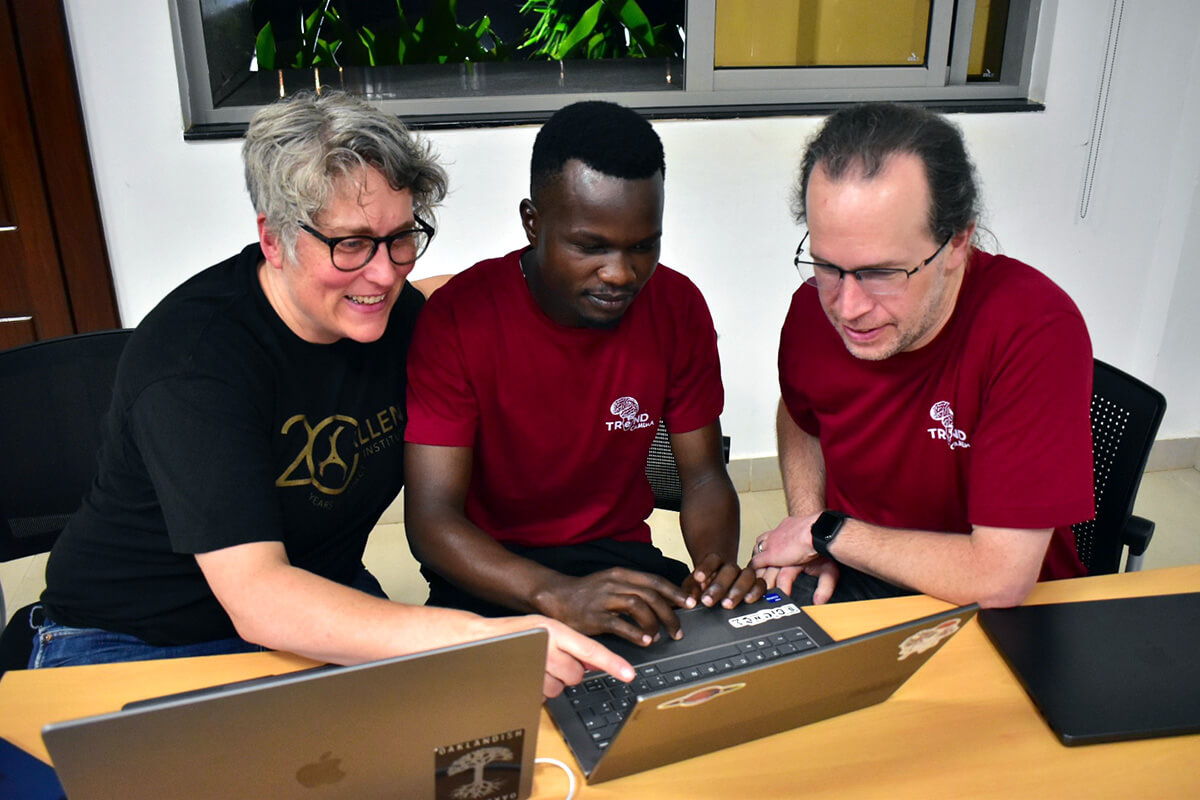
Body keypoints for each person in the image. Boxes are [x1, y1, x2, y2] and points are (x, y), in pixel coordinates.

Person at [32, 91, 631, 696]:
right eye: (349, 243)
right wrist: (480, 636)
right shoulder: (195, 364)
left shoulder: (397, 317)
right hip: (135, 639)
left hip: (320, 597)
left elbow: (481, 296)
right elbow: (258, 598)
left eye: (401, 237)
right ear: (273, 240)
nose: (383, 272)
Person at [404, 101, 763, 647]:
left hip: (619, 564)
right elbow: (432, 521)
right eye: (590, 246)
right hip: (491, 575)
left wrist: (713, 572)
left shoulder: (678, 307)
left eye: (643, 246)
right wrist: (556, 595)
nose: (621, 273)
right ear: (533, 222)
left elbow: (705, 478)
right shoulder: (459, 317)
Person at [750, 102, 1095, 609]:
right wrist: (810, 529)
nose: (848, 308)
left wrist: (827, 532)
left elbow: (1000, 578)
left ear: (957, 241)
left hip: (1007, 611)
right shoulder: (811, 311)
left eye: (882, 273)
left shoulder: (1034, 329)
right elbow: (801, 414)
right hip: (855, 573)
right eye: (827, 266)